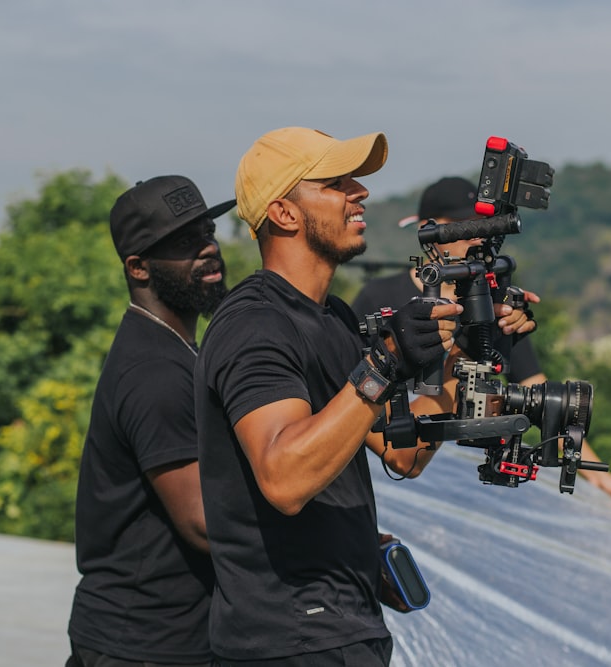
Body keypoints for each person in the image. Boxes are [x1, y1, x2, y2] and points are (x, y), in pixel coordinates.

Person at [195, 127, 534, 665]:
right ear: (284, 214)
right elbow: (284, 478)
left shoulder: (334, 318)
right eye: (336, 184)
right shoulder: (254, 323)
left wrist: (475, 346)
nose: (361, 193)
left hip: (348, 631)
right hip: (287, 642)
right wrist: (386, 363)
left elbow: (405, 452)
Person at [352, 176, 611, 510]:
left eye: (482, 225)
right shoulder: (379, 296)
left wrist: (586, 464)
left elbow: (534, 389)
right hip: (389, 471)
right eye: (459, 225)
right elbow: (357, 394)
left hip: (461, 477)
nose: (473, 235)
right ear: (429, 229)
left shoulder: (492, 301)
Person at [67, 176, 235, 667]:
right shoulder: (155, 371)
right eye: (184, 243)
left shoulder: (176, 349)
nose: (207, 249)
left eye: (208, 232)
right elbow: (205, 524)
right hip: (143, 643)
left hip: (154, 639)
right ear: (138, 267)